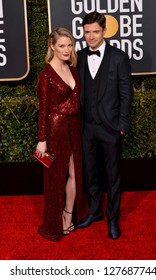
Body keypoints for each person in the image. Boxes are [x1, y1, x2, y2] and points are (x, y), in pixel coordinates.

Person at [76, 12, 132, 239]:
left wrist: (122, 124)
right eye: (87, 32)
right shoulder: (78, 56)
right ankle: (95, 211)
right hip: (86, 127)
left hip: (110, 127)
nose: (90, 37)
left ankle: (113, 218)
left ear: (104, 31)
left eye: (95, 32)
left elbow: (126, 93)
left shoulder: (119, 57)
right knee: (90, 173)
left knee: (113, 175)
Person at [35, 26, 83, 241]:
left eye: (70, 45)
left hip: (74, 126)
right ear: (52, 46)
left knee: (75, 172)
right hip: (55, 130)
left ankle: (68, 215)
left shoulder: (72, 69)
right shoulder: (45, 75)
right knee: (55, 177)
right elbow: (43, 109)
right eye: (62, 45)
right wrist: (42, 141)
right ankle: (53, 223)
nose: (66, 49)